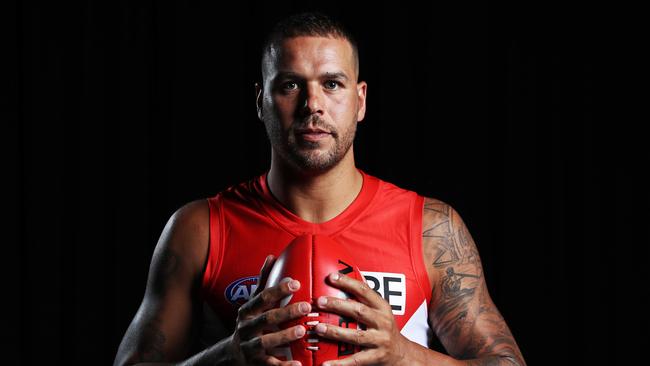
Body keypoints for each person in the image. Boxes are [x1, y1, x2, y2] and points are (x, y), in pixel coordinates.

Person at [114, 12, 526, 366]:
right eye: (291, 84)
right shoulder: (200, 229)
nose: (313, 104)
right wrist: (225, 356)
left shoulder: (429, 229)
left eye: (332, 84)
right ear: (261, 101)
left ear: (360, 101)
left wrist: (407, 355)